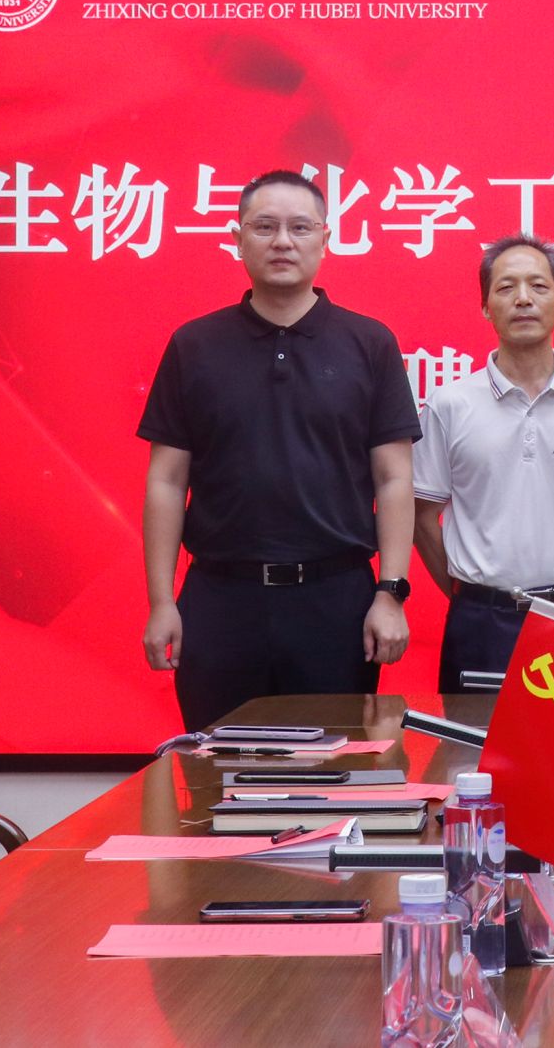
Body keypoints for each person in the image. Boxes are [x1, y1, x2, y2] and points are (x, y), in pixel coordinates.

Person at [137, 169, 420, 731]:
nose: (282, 242)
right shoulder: (195, 345)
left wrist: (390, 593)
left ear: (325, 238)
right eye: (264, 227)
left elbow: (393, 478)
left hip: (335, 602)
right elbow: (166, 481)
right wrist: (162, 601)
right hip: (220, 600)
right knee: (217, 768)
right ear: (237, 238)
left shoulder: (369, 343)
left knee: (332, 768)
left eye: (300, 228)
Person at [411, 235, 554, 692]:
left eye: (538, 286)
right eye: (506, 287)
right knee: (472, 739)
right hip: (481, 622)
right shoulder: (449, 404)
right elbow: (422, 516)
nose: (523, 299)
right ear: (485, 307)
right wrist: (470, 591)